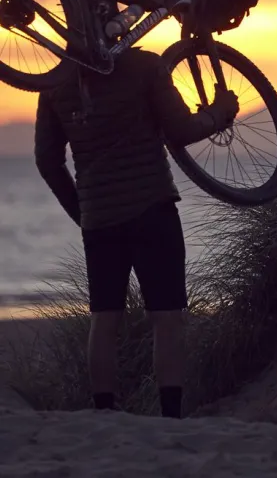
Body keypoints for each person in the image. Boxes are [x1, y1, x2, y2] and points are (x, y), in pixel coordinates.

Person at [34, 46, 240, 419]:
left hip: (100, 219)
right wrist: (220, 111)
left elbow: (48, 161)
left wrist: (83, 211)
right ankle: (171, 416)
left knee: (105, 317)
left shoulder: (54, 84)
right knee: (167, 316)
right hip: (152, 208)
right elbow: (181, 129)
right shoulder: (145, 65)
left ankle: (104, 413)